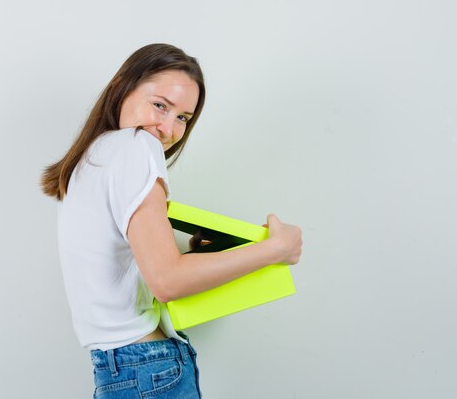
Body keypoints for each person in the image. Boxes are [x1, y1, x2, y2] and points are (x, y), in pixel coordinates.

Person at [41, 44, 302, 399]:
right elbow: (167, 281)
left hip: (119, 370)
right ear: (121, 87)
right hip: (149, 370)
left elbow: (138, 276)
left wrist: (201, 257)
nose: (167, 128)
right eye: (160, 105)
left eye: (183, 117)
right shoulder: (136, 147)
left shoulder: (92, 159)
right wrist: (276, 249)